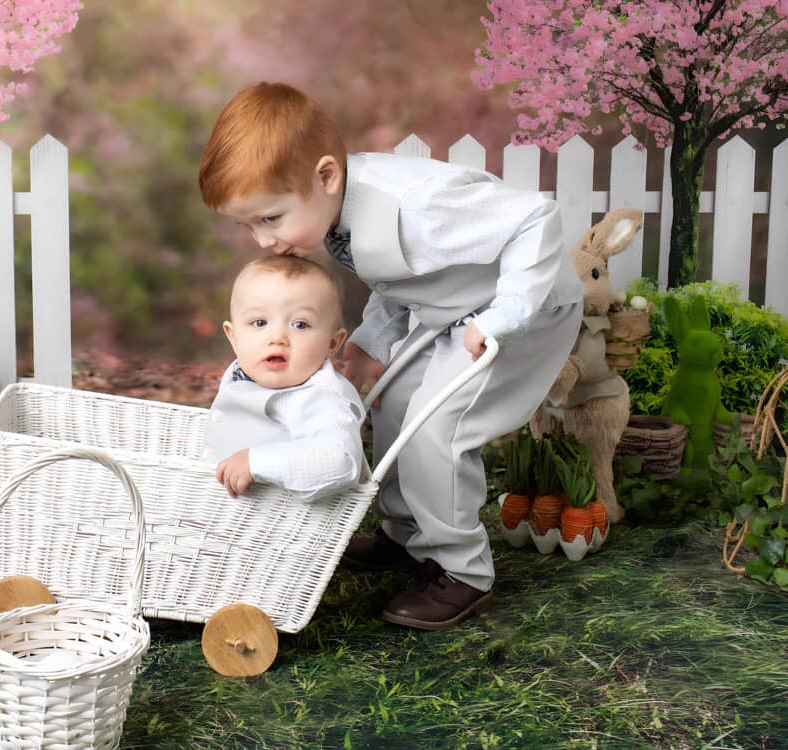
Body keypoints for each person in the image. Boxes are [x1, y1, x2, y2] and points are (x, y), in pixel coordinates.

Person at [198, 82, 583, 631]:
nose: (262, 240)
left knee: (437, 429)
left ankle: (462, 571)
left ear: (325, 177)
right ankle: (407, 537)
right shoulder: (335, 212)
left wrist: (503, 317)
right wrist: (370, 344)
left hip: (518, 313)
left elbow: (535, 219)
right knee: (393, 404)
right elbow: (400, 278)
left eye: (270, 219)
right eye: (249, 225)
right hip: (451, 312)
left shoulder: (418, 204)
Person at [204, 254, 367, 503]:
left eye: (300, 325)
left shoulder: (320, 400)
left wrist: (256, 462)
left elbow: (340, 461)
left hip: (285, 525)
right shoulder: (242, 373)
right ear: (233, 337)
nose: (277, 337)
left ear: (332, 343)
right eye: (259, 322)